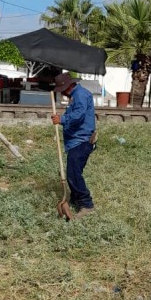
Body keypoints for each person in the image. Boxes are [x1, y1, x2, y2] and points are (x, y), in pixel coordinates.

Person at [50, 72, 97, 219]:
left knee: (73, 173)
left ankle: (86, 204)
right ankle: (76, 200)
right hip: (76, 141)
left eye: (62, 89)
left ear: (68, 86)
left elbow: (79, 115)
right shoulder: (75, 96)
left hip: (82, 141)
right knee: (74, 173)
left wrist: (62, 119)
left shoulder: (80, 95)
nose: (62, 93)